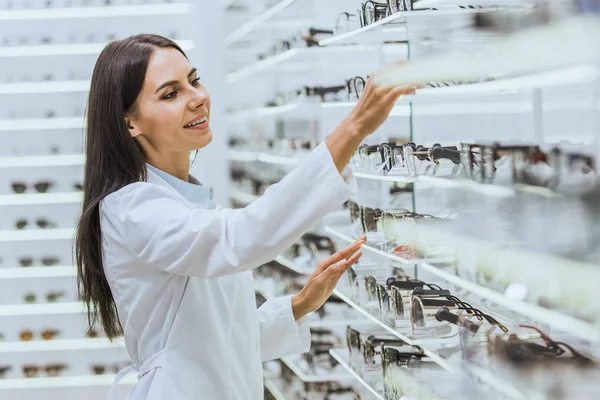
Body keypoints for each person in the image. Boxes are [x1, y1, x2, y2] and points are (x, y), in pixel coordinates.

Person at [75, 34, 416, 400]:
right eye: (171, 94)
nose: (198, 98)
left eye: (194, 80)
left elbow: (217, 340)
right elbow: (241, 237)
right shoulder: (133, 209)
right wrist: (355, 128)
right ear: (130, 124)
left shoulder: (188, 201)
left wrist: (301, 304)